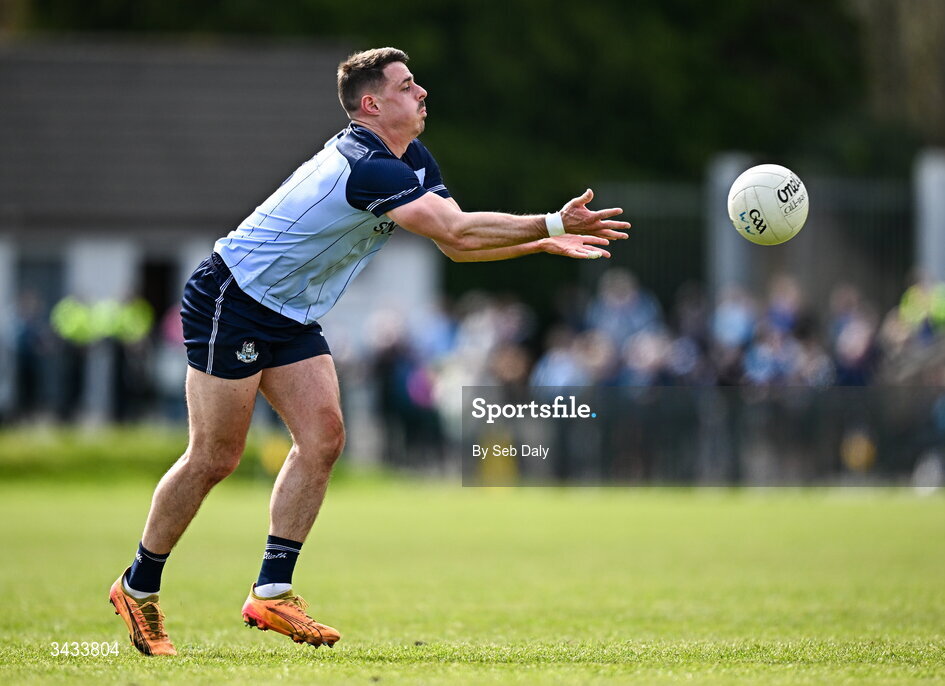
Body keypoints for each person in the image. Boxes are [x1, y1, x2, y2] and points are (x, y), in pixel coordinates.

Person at [108, 47, 630, 656]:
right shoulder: (366, 163)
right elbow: (459, 233)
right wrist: (550, 225)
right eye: (408, 87)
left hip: (290, 311)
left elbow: (456, 244)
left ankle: (271, 593)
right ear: (372, 104)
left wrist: (539, 244)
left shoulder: (409, 158)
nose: (423, 93)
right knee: (216, 456)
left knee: (324, 437)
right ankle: (137, 587)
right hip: (233, 296)